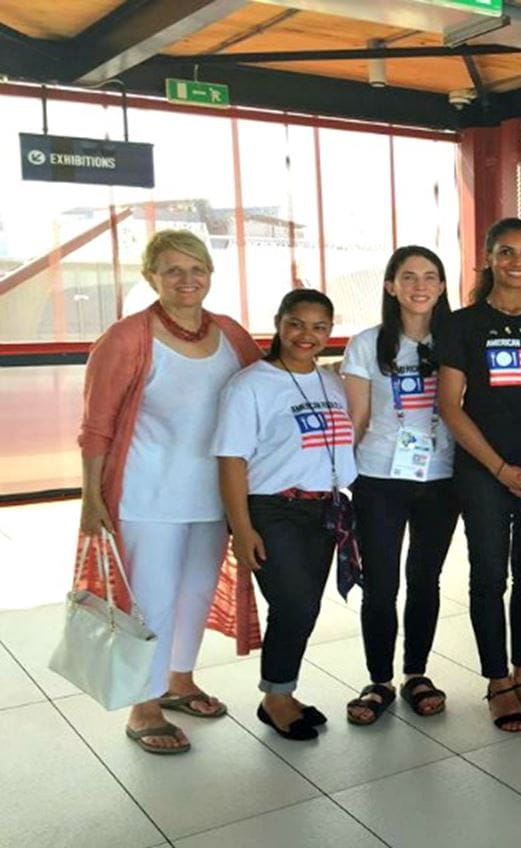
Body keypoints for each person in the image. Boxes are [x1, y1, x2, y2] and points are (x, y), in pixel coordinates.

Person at [78, 229, 261, 755]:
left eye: (196, 269)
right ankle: (143, 705)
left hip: (213, 498)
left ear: (210, 274)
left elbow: (268, 387)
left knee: (195, 595)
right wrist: (92, 495)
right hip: (146, 497)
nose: (187, 280)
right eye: (173, 270)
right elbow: (96, 427)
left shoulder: (229, 332)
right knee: (151, 601)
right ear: (151, 277)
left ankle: (179, 681)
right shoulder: (127, 337)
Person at [437, 218, 521, 733]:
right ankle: (496, 681)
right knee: (489, 575)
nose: (517, 262)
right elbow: (451, 407)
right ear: (489, 259)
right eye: (506, 252)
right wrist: (497, 468)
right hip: (482, 471)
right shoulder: (461, 324)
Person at [214, 289, 359, 741]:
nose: (306, 335)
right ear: (279, 323)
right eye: (297, 323)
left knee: (302, 607)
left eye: (319, 327)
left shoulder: (331, 382)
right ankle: (275, 698)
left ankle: (284, 690)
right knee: (294, 603)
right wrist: (242, 528)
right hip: (273, 509)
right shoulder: (250, 385)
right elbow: (231, 459)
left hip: (323, 510)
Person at [341, 246, 459, 725]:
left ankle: (416, 674)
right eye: (407, 277)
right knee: (381, 583)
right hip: (379, 478)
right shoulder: (366, 344)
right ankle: (379, 680)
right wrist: (340, 478)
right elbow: (357, 417)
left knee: (424, 579)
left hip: (441, 478)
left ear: (443, 287)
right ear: (390, 286)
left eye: (430, 277)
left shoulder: (456, 341)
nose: (419, 286)